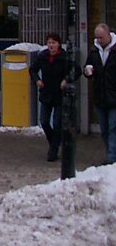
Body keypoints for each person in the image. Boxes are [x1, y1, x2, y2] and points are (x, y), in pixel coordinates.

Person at [29, 32, 80, 162]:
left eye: (54, 43)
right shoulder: (43, 56)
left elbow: (76, 70)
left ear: (58, 44)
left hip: (59, 94)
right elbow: (32, 69)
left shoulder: (64, 57)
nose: (51, 45)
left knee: (57, 123)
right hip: (46, 93)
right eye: (49, 43)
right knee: (44, 121)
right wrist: (37, 80)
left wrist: (66, 80)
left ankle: (53, 150)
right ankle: (54, 142)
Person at [84, 23, 116, 165]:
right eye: (97, 37)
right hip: (100, 96)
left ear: (109, 35)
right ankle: (111, 153)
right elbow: (88, 67)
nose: (99, 40)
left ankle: (111, 157)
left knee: (113, 128)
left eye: (101, 37)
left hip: (114, 96)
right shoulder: (94, 51)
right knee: (104, 129)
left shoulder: (114, 50)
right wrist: (88, 71)